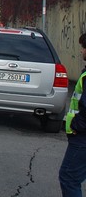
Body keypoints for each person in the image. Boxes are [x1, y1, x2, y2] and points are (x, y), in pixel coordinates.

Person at [59, 33, 86, 196]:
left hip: (83, 137)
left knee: (69, 177)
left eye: (84, 47)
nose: (82, 51)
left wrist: (77, 126)